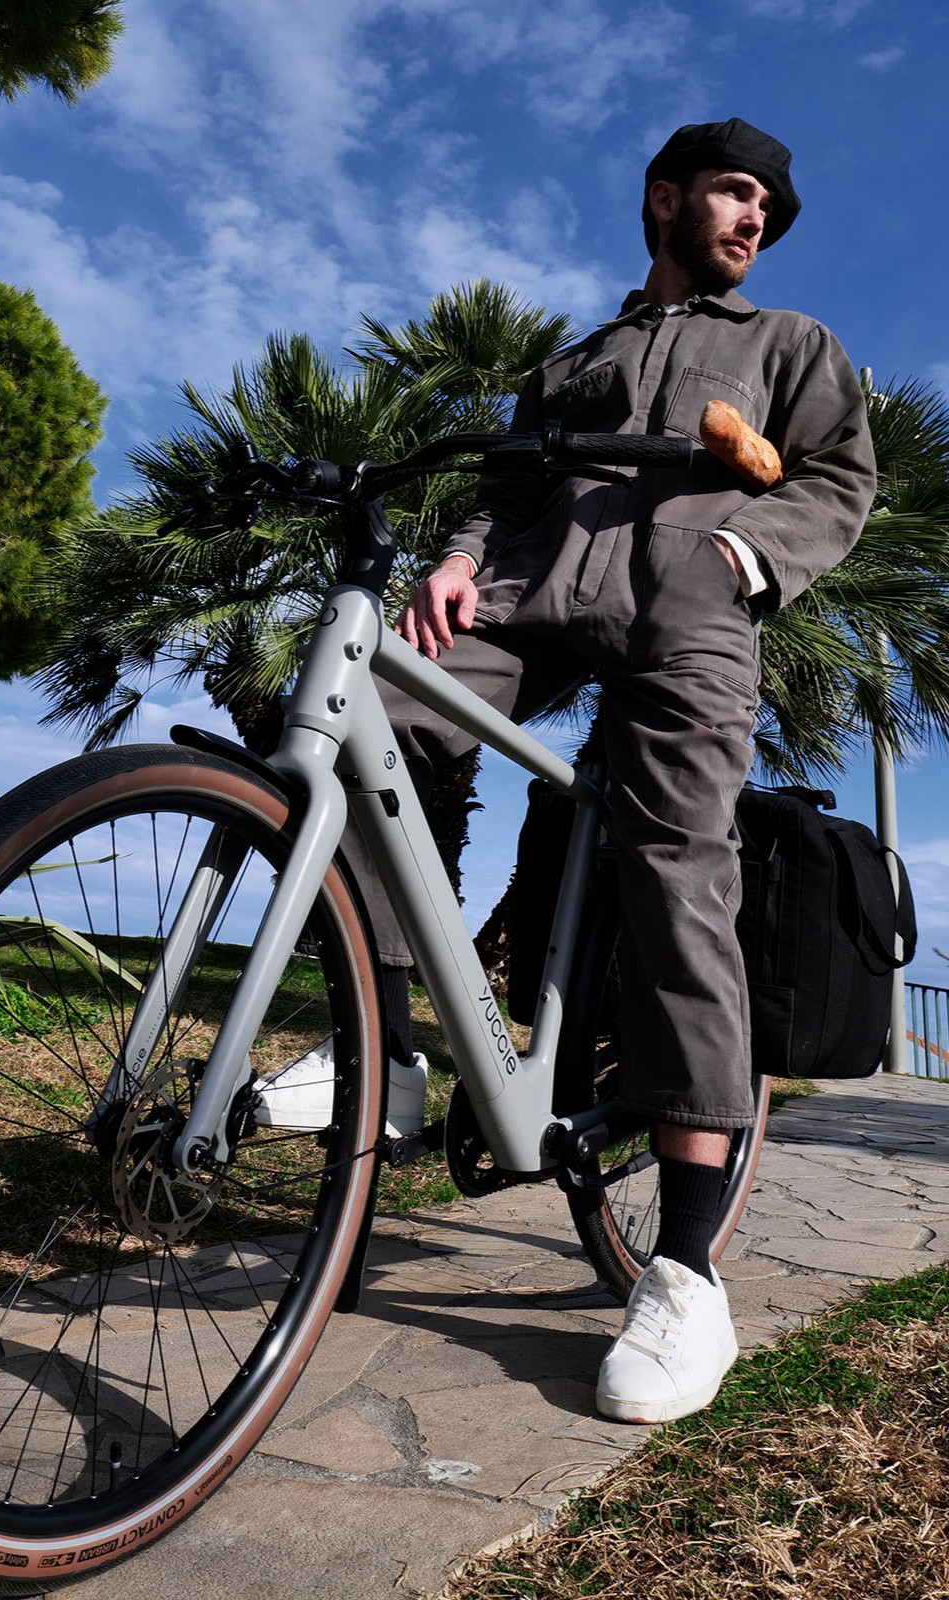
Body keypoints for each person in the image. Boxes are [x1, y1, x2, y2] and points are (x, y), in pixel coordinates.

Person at [259, 118, 876, 1424]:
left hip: (692, 610)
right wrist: (460, 557)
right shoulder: (577, 363)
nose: (754, 216)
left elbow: (837, 479)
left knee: (675, 862)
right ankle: (387, 1042)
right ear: (665, 200)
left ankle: (687, 1268)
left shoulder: (789, 349)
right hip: (534, 591)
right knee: (386, 704)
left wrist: (740, 558)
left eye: (768, 201)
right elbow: (509, 486)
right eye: (732, 190)